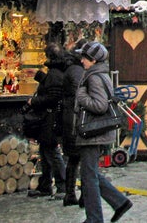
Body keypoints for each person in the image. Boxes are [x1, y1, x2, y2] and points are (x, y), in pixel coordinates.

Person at [75, 41, 132, 223]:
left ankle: (94, 218)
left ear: (93, 60)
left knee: (88, 176)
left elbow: (99, 106)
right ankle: (119, 202)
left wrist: (81, 96)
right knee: (90, 173)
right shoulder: (99, 74)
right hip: (97, 132)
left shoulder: (93, 77)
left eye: (84, 57)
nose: (82, 60)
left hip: (93, 132)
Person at [26, 42, 67, 199]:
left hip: (50, 118)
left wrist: (34, 102)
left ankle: (61, 186)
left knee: (51, 151)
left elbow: (53, 96)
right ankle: (45, 185)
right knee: (46, 150)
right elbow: (52, 87)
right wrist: (39, 75)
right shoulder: (55, 72)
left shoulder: (55, 73)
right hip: (49, 118)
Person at [61, 39, 86, 207]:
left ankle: (71, 193)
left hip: (71, 116)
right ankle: (78, 194)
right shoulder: (77, 70)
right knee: (81, 158)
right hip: (75, 119)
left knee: (74, 158)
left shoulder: (72, 68)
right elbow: (80, 93)